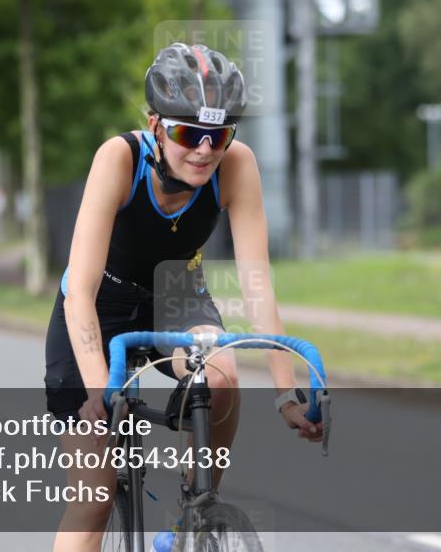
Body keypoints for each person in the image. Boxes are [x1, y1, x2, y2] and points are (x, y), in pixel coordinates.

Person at [45, 43, 322, 552]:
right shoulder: (118, 158)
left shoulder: (237, 165)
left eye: (219, 136)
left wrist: (286, 395)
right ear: (155, 125)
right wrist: (99, 391)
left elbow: (257, 284)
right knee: (94, 496)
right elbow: (79, 291)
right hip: (97, 306)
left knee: (221, 374)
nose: (204, 150)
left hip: (176, 293)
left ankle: (195, 511)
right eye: (187, 134)